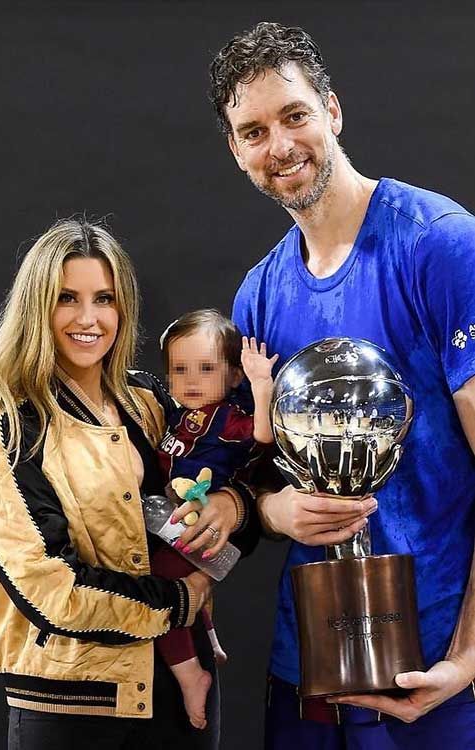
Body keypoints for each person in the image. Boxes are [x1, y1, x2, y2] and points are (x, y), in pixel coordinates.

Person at [208, 20, 475, 750]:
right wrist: (272, 513)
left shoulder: (438, 244)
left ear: (331, 109)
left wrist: (470, 658)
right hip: (309, 675)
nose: (280, 146)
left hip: (435, 674)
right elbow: (251, 469)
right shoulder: (258, 296)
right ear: (236, 151)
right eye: (253, 131)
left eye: (294, 115)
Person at [0, 219, 258, 750]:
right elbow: (52, 591)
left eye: (105, 299)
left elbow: (234, 467)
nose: (88, 319)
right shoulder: (14, 430)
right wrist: (179, 603)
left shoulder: (150, 401)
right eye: (67, 297)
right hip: (74, 708)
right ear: (36, 307)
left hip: (181, 694)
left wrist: (233, 504)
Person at [150, 309, 276, 730]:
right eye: (180, 369)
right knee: (184, 588)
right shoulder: (178, 412)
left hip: (200, 522)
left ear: (233, 375)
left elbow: (263, 435)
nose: (191, 380)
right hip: (171, 516)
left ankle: (191, 675)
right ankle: (210, 637)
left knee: (163, 591)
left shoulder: (226, 418)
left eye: (206, 369)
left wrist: (262, 386)